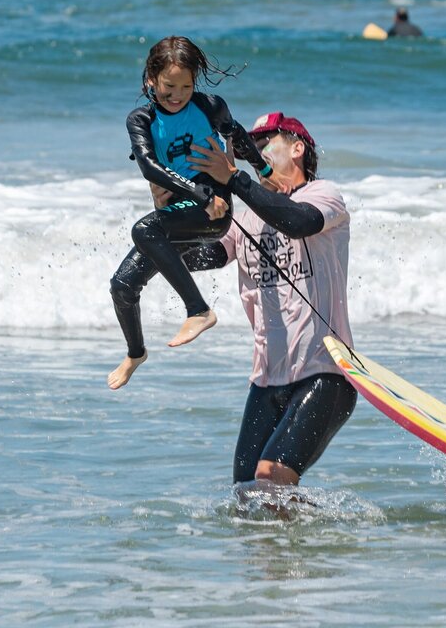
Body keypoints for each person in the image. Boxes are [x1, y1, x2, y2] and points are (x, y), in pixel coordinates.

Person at [185, 112, 358, 488]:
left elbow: (297, 222)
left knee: (272, 476)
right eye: (251, 147)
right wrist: (163, 238)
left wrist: (235, 178)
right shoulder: (244, 217)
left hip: (325, 372)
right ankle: (308, 538)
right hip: (266, 381)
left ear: (298, 149)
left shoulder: (324, 195)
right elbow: (205, 256)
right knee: (246, 491)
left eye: (264, 144)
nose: (255, 152)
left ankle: (301, 542)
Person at [106, 37, 273, 391]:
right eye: (169, 86)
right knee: (122, 285)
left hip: (214, 206)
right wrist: (192, 193)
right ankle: (135, 353)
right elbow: (150, 167)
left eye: (186, 86)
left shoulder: (209, 106)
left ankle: (198, 310)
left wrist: (264, 171)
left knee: (144, 230)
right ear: (151, 79)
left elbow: (237, 134)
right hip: (184, 207)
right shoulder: (141, 119)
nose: (178, 94)